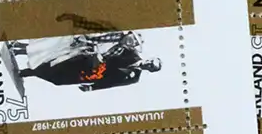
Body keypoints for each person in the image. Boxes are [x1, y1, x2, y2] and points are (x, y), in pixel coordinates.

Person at [16, 33, 159, 93]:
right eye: (151, 62)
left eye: (151, 67)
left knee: (59, 80)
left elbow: (111, 83)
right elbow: (107, 48)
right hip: (87, 61)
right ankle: (28, 71)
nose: (149, 64)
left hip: (90, 75)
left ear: (150, 70)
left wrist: (92, 87)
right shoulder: (130, 54)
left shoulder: (134, 78)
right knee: (59, 63)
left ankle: (31, 71)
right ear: (149, 58)